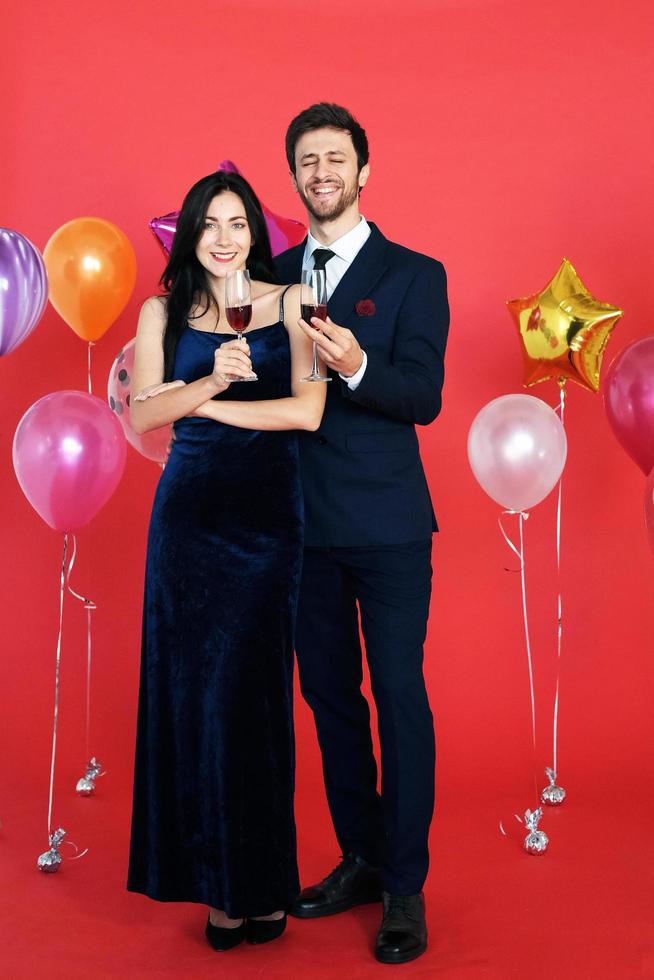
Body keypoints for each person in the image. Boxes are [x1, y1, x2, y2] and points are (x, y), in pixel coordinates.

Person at [126, 170, 326, 952]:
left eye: (237, 222)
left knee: (253, 704)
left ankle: (263, 881)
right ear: (188, 236)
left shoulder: (295, 302)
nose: (224, 237)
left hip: (267, 521)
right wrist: (208, 378)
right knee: (192, 703)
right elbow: (142, 415)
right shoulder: (161, 311)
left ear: (256, 233)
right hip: (189, 523)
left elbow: (306, 412)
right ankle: (215, 891)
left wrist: (200, 402)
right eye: (209, 223)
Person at [275, 103, 449, 965]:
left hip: (386, 529)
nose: (321, 173)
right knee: (329, 700)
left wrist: (355, 364)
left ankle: (406, 886)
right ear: (295, 176)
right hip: (300, 531)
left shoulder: (416, 274)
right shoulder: (268, 277)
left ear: (364, 170)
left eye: (336, 158)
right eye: (307, 161)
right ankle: (361, 858)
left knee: (399, 698)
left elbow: (423, 396)